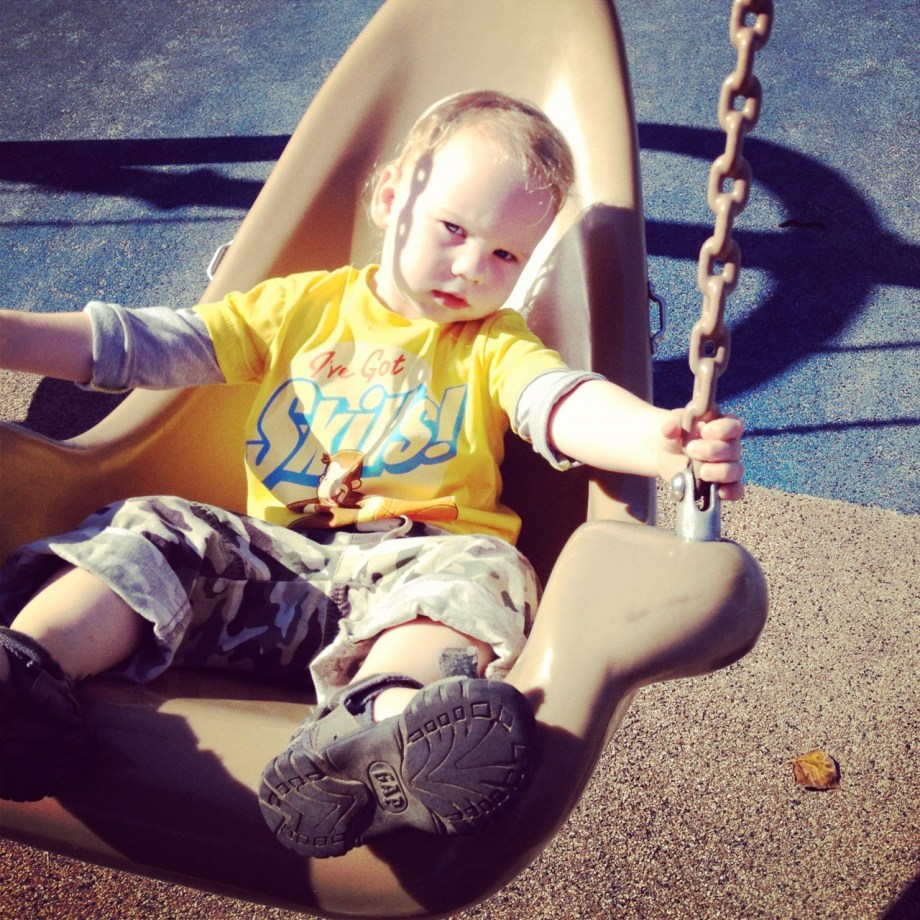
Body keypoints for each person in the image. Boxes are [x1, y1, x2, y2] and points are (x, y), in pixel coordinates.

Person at [0, 91, 744, 858]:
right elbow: (153, 344)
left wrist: (658, 440)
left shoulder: (492, 342)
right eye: (453, 229)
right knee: (151, 526)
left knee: (484, 572)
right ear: (393, 198)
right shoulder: (304, 306)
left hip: (412, 569)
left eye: (505, 256)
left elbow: (557, 402)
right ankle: (26, 670)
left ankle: (372, 732)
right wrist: (12, 336)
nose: (471, 267)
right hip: (268, 569)